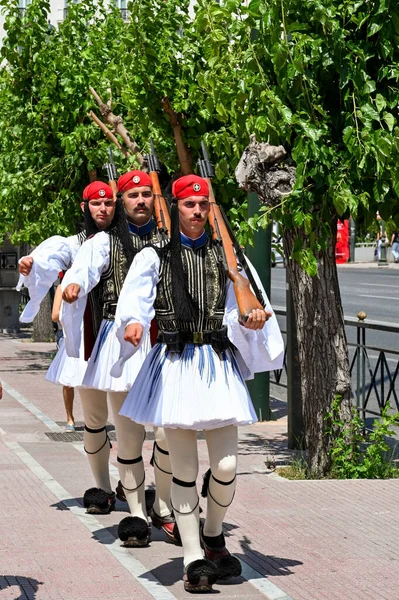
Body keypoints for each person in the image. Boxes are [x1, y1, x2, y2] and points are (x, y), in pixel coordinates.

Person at [113, 174, 285, 592]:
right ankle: (193, 558)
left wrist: (253, 318)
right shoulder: (153, 256)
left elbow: (240, 312)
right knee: (185, 470)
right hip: (173, 365)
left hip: (216, 365)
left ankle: (213, 533)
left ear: (210, 208)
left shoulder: (226, 260)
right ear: (175, 207)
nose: (196, 211)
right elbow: (133, 301)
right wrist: (133, 325)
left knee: (226, 467)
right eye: (189, 205)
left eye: (203, 204)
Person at [61, 171, 177, 547]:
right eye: (133, 195)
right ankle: (137, 515)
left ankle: (163, 505)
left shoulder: (169, 240)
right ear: (122, 201)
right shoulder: (103, 242)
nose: (141, 200)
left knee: (167, 433)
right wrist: (74, 286)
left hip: (163, 338)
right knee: (128, 435)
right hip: (120, 339)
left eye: (147, 194)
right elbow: (83, 269)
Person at [17, 182, 127, 514]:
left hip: (125, 341)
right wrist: (31, 264)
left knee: (128, 422)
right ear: (85, 208)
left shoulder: (131, 242)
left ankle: (132, 484)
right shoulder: (74, 244)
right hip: (89, 339)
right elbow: (50, 257)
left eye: (109, 203)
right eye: (97, 203)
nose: (103, 209)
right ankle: (103, 488)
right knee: (95, 418)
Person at [49, 282, 76, 431]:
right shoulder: (61, 288)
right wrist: (71, 312)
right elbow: (54, 315)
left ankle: (95, 418)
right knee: (68, 380)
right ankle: (70, 418)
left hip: (85, 335)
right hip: (67, 336)